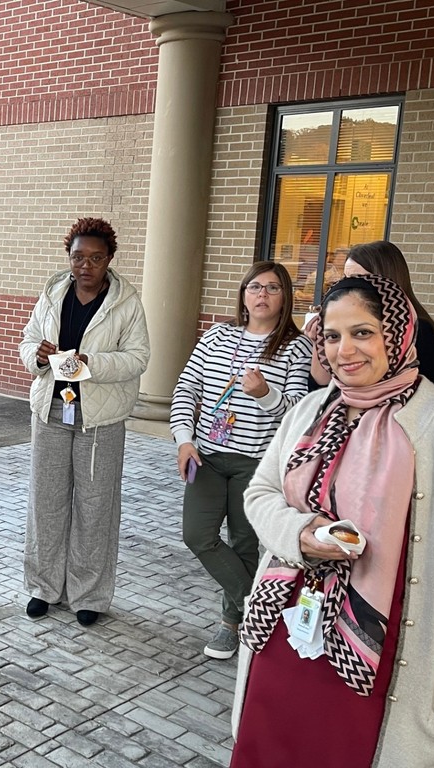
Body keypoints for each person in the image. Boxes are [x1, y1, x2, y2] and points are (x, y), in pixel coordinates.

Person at [232, 274, 434, 767]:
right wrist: (301, 534)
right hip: (286, 620)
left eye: (363, 332)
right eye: (332, 336)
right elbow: (261, 493)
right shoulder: (312, 408)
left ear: (397, 334)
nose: (344, 350)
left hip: (381, 643)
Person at [170, 261, 312, 659]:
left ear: (285, 297)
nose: (262, 294)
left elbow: (298, 414)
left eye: (272, 287)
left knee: (246, 544)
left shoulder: (295, 347)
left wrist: (266, 393)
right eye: (254, 287)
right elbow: (186, 389)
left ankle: (231, 626)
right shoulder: (217, 336)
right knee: (197, 535)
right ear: (243, 294)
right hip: (207, 457)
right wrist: (183, 440)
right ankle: (257, 605)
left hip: (257, 465)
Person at [19, 217, 150, 627]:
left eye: (95, 257)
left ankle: (89, 595)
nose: (86, 265)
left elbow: (137, 357)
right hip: (52, 411)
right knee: (46, 502)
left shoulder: (125, 302)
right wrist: (38, 358)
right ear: (69, 257)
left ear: (109, 258)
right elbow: (27, 341)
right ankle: (44, 588)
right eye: (78, 257)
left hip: (101, 418)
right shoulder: (53, 292)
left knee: (95, 508)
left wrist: (93, 365)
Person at [309, 240, 434, 388]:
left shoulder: (420, 330)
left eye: (360, 280)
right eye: (346, 279)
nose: (348, 287)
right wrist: (323, 337)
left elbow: (427, 395)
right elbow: (318, 389)